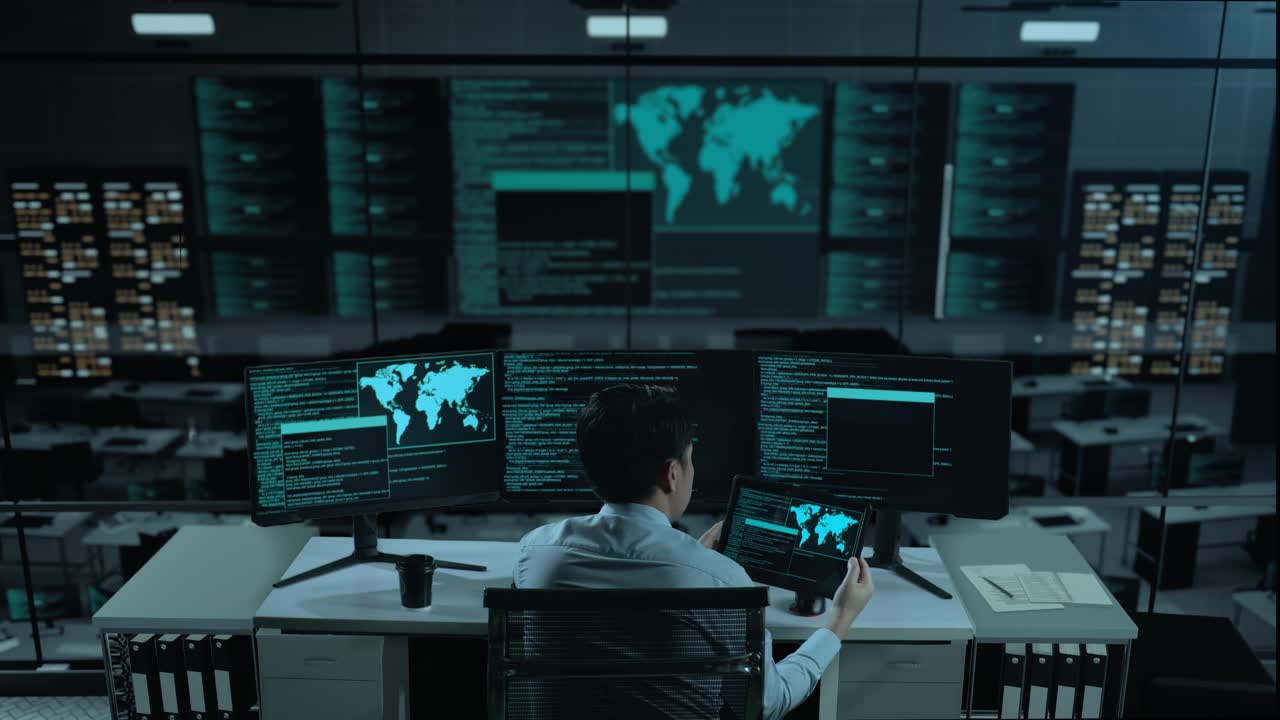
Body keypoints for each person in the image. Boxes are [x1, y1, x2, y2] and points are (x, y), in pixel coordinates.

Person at [515, 384, 875, 720]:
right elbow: (768, 702)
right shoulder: (722, 582)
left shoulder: (536, 551)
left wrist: (696, 558)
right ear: (671, 474)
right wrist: (841, 617)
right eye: (690, 459)